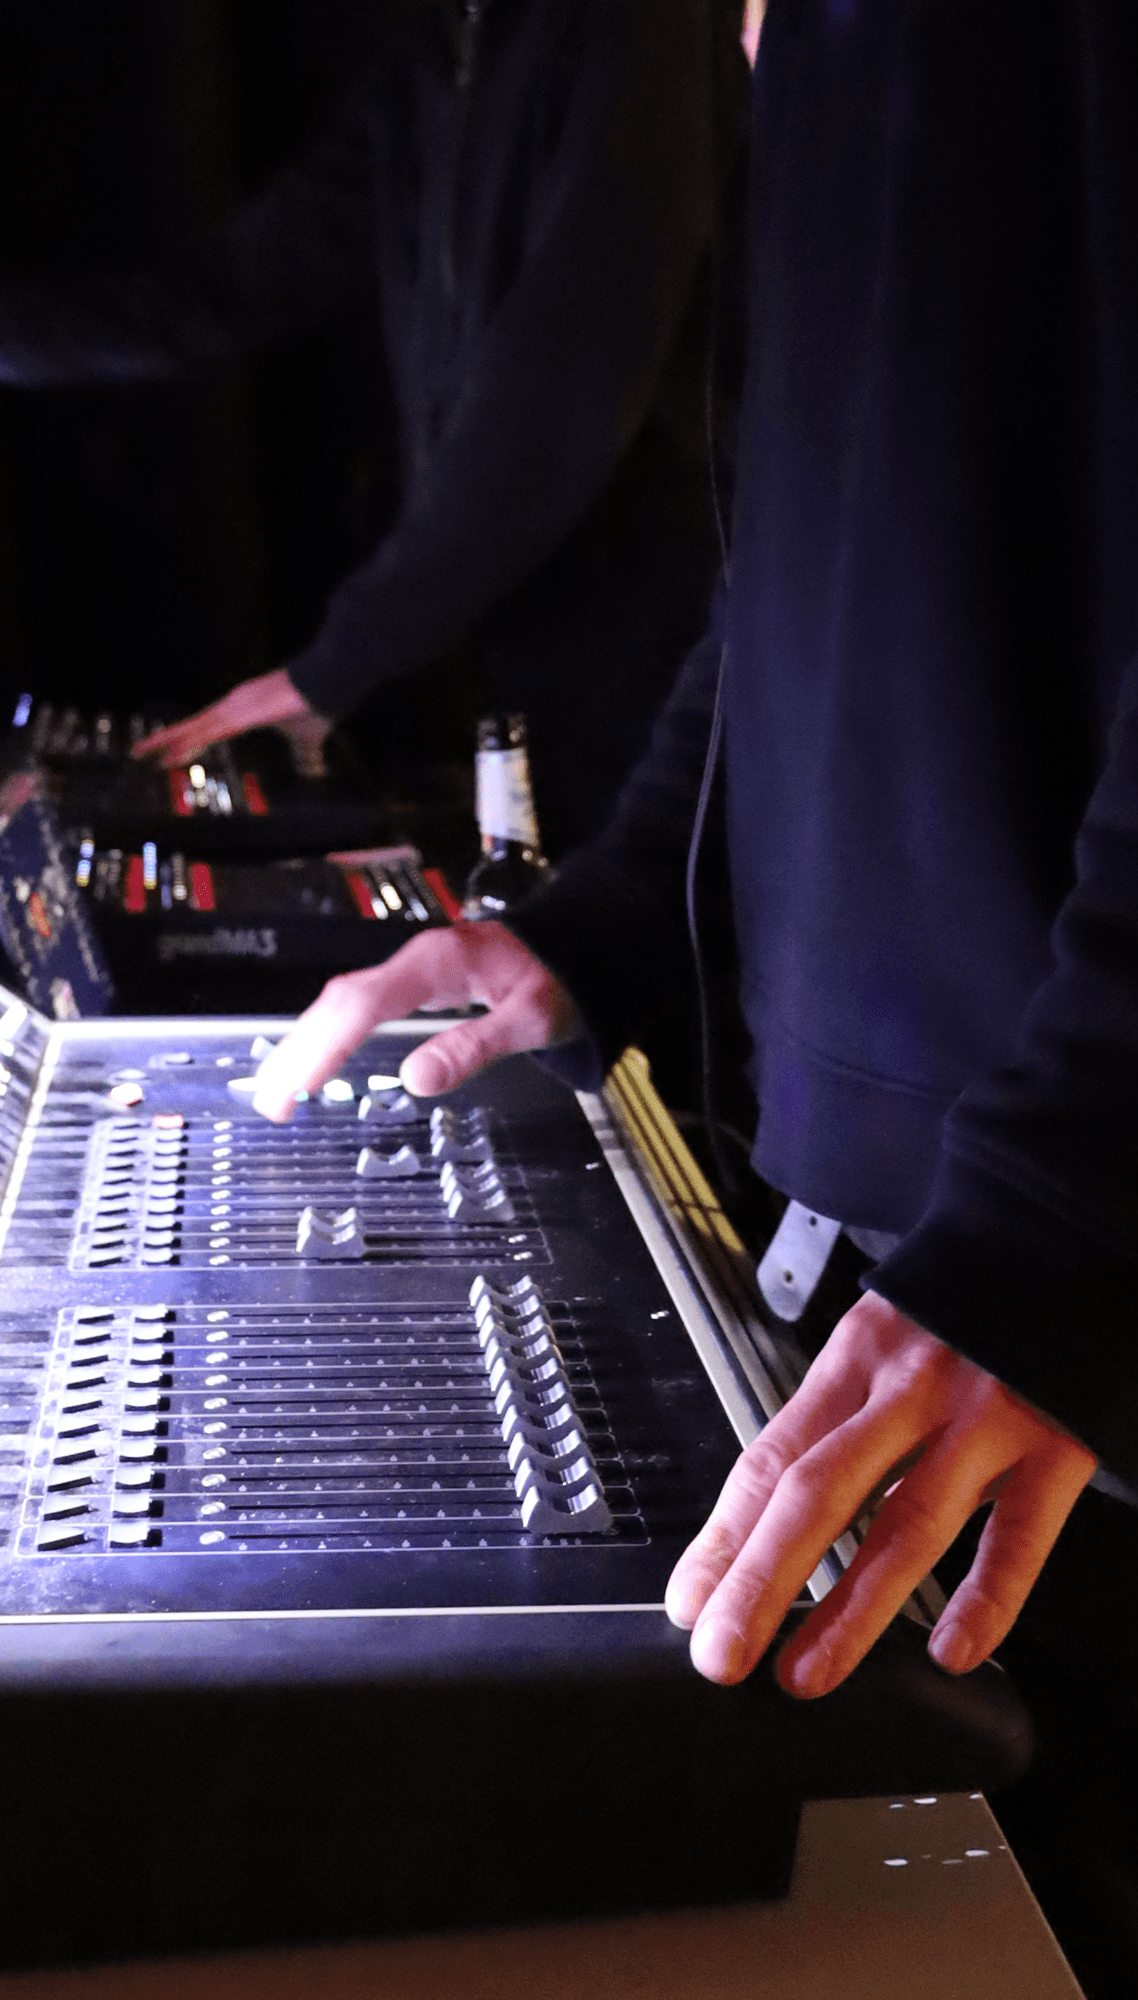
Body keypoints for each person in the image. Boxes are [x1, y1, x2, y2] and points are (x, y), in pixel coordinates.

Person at [247, 0, 1138, 1708]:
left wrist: (1069, 1213)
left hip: (1058, 1331)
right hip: (941, 1293)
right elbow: (818, 535)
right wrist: (619, 911)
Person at [0, 0, 748, 858]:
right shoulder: (444, 42)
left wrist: (339, 661)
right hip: (522, 643)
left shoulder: (637, 25)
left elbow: (558, 394)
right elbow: (224, 291)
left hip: (663, 645)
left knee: (665, 1014)